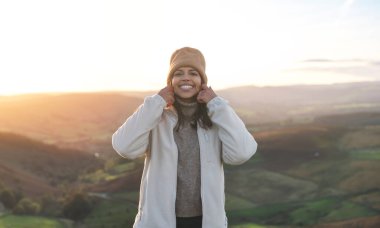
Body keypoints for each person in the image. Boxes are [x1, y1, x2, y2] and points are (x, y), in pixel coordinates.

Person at [112, 47, 258, 228]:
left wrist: (217, 105)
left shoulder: (214, 120)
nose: (186, 77)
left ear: (202, 81)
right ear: (170, 82)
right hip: (158, 223)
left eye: (194, 73)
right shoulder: (157, 119)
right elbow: (124, 146)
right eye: (178, 73)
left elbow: (241, 153)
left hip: (205, 223)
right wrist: (156, 102)